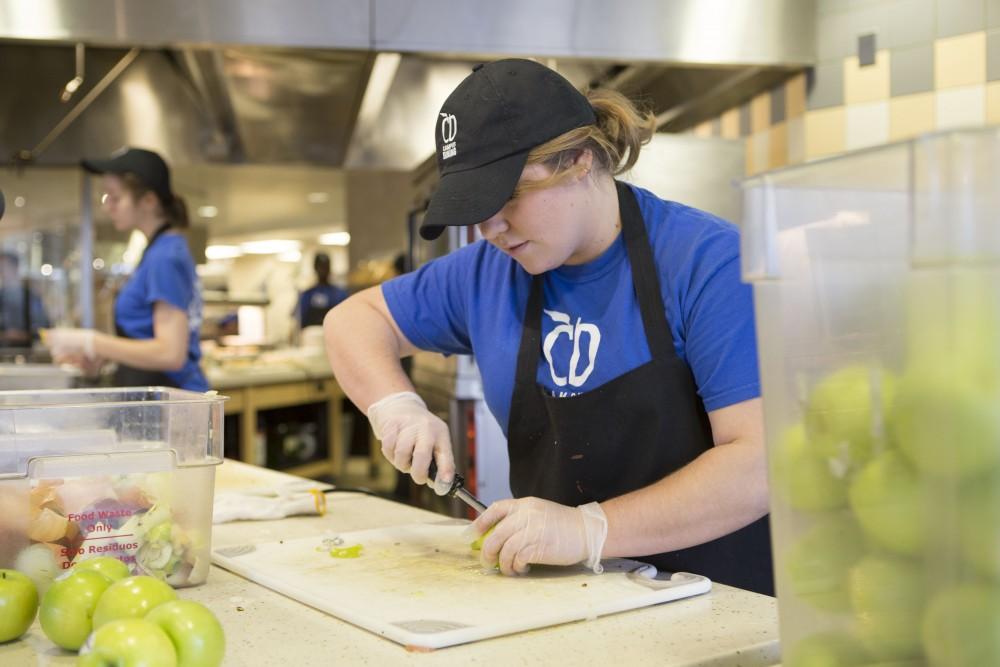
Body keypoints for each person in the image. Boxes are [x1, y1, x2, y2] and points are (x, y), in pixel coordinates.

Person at [323, 59, 773, 594]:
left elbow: (759, 463)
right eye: (475, 209)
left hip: (718, 605)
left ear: (580, 161)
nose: (490, 229)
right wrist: (394, 405)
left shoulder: (707, 262)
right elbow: (353, 319)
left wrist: (590, 528)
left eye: (508, 197)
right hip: (563, 602)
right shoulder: (486, 274)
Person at [42, 147, 208, 391]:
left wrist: (92, 342)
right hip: (156, 395)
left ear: (149, 201)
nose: (107, 206)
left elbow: (171, 354)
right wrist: (102, 359)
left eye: (115, 197)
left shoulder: (165, 255)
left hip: (173, 398)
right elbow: (146, 338)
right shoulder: (157, 250)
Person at [0, 251, 50, 346]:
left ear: (15, 268)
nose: (1, 271)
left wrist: (23, 335)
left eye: (4, 267)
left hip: (26, 353)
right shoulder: (2, 295)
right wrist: (5, 335)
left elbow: (44, 328)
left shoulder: (31, 297)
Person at [295, 252, 348, 331]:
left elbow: (344, 320)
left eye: (325, 267)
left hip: (334, 334)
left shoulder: (340, 294)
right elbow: (301, 320)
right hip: (311, 338)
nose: (323, 270)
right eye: (320, 267)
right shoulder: (306, 295)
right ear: (315, 268)